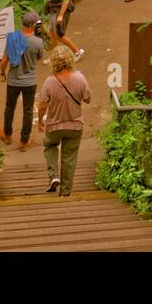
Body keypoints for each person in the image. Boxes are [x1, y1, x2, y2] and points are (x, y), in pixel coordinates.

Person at [36, 45, 91, 196]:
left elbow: (42, 105)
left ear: (54, 62)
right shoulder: (80, 78)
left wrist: (40, 121)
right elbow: (87, 99)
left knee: (49, 145)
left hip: (54, 125)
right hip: (75, 125)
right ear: (71, 60)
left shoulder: (49, 82)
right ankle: (66, 192)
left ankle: (54, 175)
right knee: (69, 157)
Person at [0, 11, 45, 151]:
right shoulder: (38, 42)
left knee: (9, 108)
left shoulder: (13, 38)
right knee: (28, 111)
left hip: (13, 81)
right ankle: (24, 141)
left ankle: (7, 135)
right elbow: (39, 58)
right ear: (32, 25)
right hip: (30, 82)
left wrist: (2, 73)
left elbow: (4, 60)